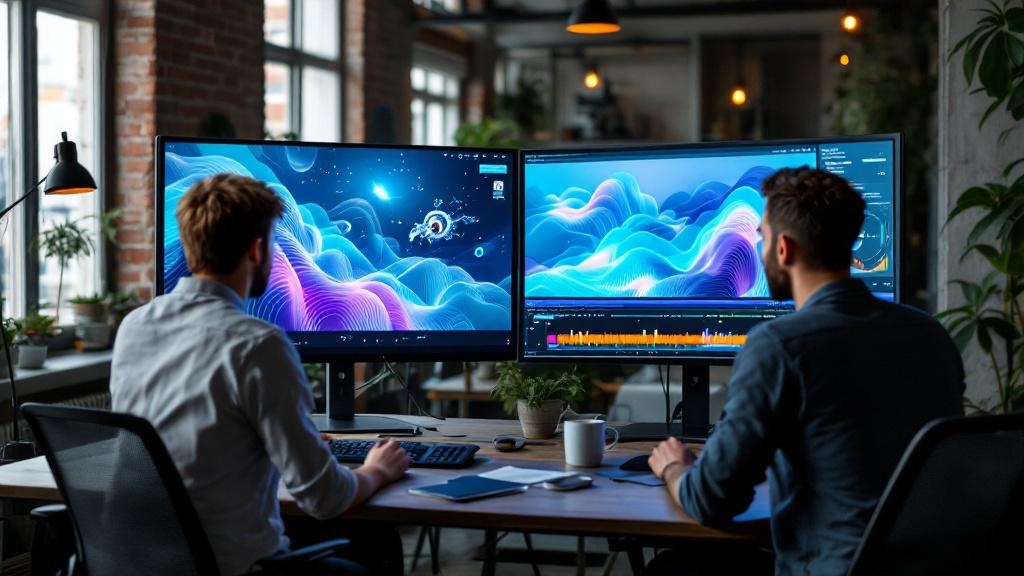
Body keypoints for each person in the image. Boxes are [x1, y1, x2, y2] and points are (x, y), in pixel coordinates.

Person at [647, 168, 965, 576]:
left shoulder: (779, 346)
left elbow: (712, 499)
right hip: (934, 565)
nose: (759, 250)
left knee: (671, 569)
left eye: (760, 236)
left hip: (834, 567)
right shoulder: (930, 334)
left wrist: (673, 466)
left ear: (783, 248)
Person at [111, 174, 410, 576]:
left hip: (139, 560)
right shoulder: (258, 344)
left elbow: (192, 434)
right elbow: (323, 499)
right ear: (257, 249)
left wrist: (278, 441)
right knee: (377, 543)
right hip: (233, 565)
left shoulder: (135, 326)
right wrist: (377, 470)